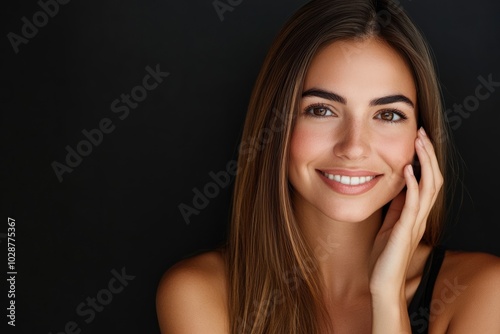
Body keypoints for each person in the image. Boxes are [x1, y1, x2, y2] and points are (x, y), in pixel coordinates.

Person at [155, 0, 500, 333]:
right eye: (321, 110)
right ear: (274, 126)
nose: (353, 147)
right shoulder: (200, 295)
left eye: (388, 115)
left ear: (420, 137)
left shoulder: (481, 292)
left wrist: (388, 298)